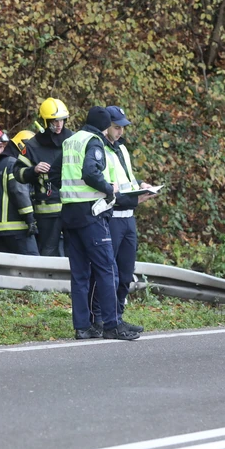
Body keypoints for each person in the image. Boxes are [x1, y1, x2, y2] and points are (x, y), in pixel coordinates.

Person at [60, 106, 139, 340]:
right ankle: (112, 325)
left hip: (69, 213)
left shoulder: (70, 140)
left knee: (80, 274)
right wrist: (108, 189)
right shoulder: (94, 141)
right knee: (107, 269)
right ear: (104, 126)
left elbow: (55, 173)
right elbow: (90, 173)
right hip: (91, 213)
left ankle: (82, 327)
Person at [89, 105, 154, 333]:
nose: (120, 132)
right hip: (112, 216)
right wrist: (135, 200)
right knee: (107, 272)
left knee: (125, 273)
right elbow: (107, 188)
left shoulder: (121, 148)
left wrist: (141, 186)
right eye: (116, 128)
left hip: (128, 218)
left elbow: (127, 178)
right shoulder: (98, 149)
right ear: (106, 127)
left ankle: (117, 316)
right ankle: (98, 318)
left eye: (122, 128)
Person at [14, 98, 74, 256]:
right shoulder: (33, 146)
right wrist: (33, 170)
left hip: (73, 207)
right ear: (46, 121)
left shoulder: (73, 141)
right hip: (47, 211)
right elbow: (17, 172)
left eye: (61, 120)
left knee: (75, 250)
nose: (59, 125)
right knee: (49, 252)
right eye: (54, 121)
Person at [0, 130, 40, 255]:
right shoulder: (13, 164)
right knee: (33, 266)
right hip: (17, 228)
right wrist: (30, 219)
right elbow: (19, 191)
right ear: (22, 147)